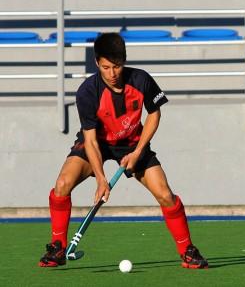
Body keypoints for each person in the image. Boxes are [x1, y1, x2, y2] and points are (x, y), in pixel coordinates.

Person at [38, 32, 208, 269]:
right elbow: (90, 140)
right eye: (106, 67)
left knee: (165, 194)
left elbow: (155, 113)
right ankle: (57, 246)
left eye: (116, 67)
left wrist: (138, 152)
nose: (112, 74)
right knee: (63, 183)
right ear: (97, 63)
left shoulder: (141, 80)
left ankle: (187, 250)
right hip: (97, 142)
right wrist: (100, 179)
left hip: (132, 144)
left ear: (124, 62)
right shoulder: (87, 92)